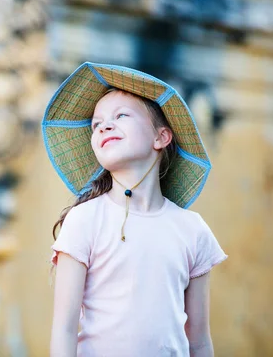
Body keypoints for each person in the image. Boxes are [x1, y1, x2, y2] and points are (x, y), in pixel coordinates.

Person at [42, 62, 227, 357]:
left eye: (121, 115)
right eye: (96, 123)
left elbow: (200, 341)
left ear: (161, 137)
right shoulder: (85, 220)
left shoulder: (193, 230)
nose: (103, 125)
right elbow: (64, 329)